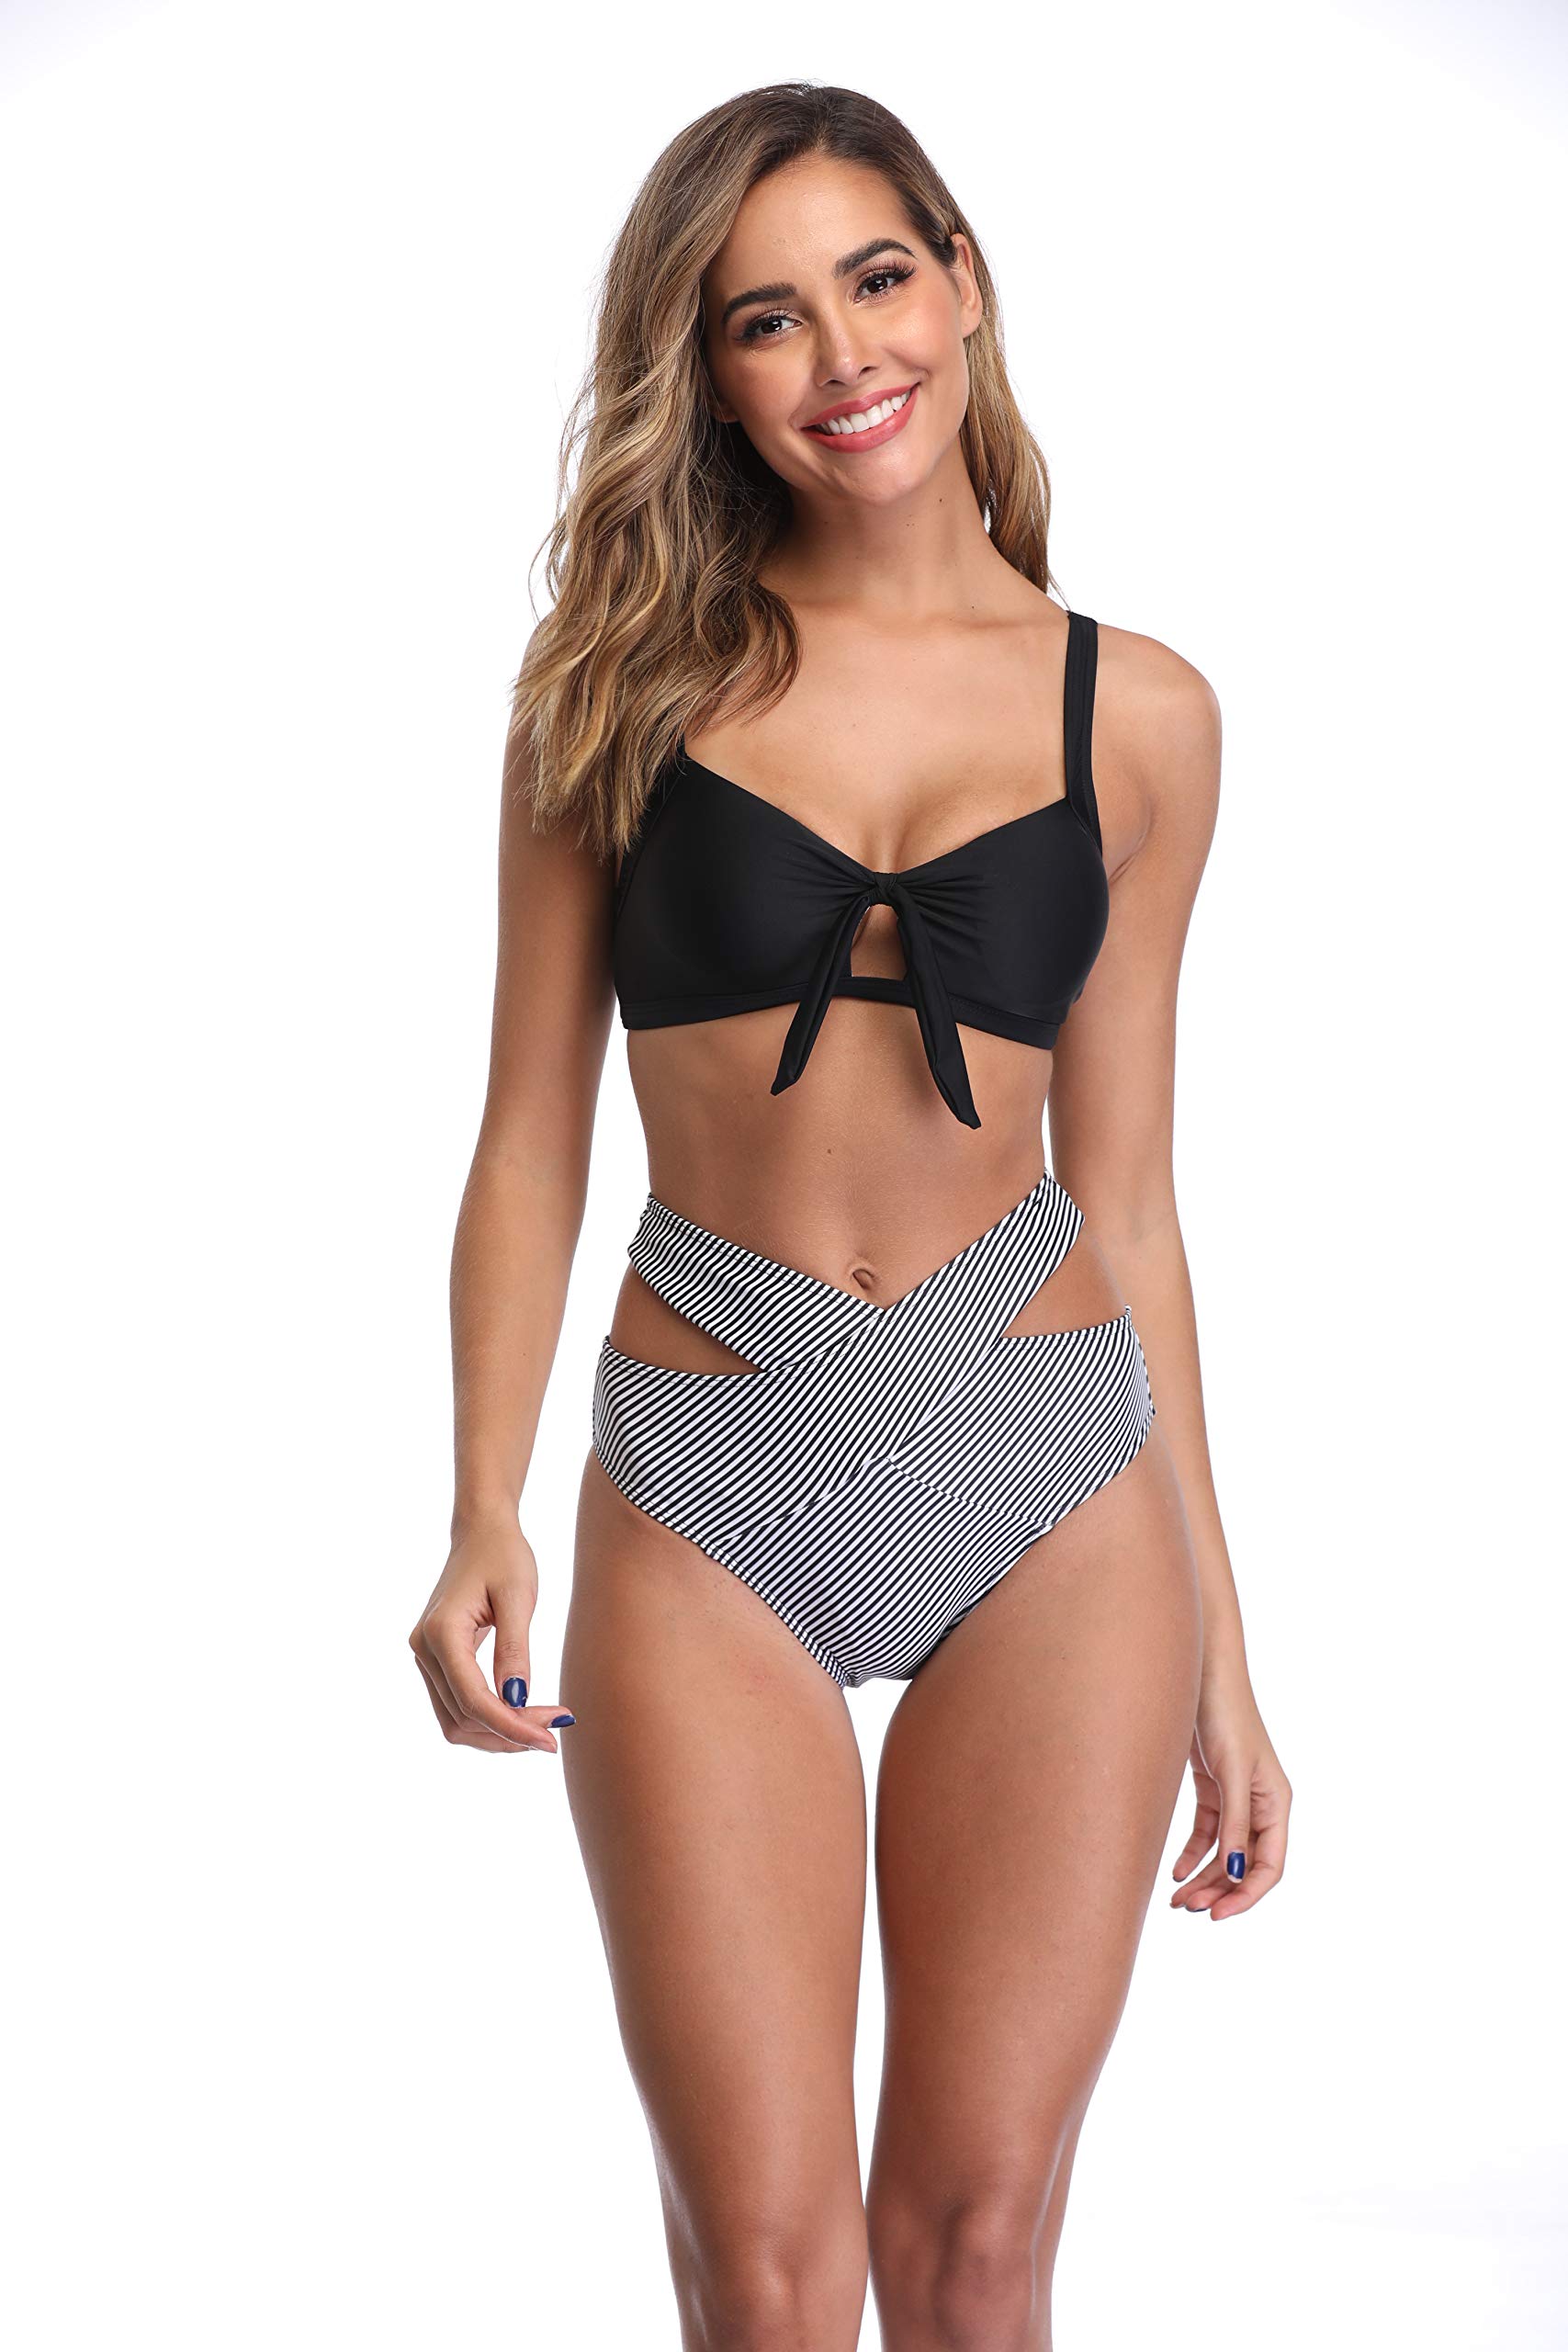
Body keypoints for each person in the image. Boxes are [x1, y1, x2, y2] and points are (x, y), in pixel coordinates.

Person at [409, 80, 1292, 2351]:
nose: (839, 355)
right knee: (771, 2270)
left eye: (874, 279)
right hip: (705, 1476)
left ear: (961, 280)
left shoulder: (1140, 715)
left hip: (1050, 1474)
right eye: (761, 319)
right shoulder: (614, 684)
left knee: (975, 2250)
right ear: (704, 375)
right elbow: (527, 1134)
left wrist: (1224, 1643)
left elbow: (1129, 1198)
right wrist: (481, 1500)